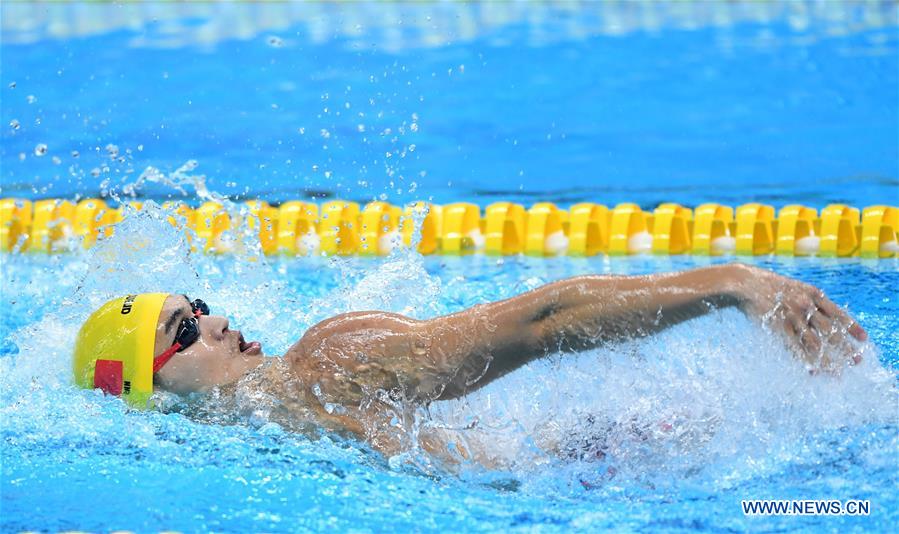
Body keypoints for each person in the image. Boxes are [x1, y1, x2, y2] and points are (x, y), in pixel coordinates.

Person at [73, 262, 867, 465]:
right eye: (186, 329)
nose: (217, 321)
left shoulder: (324, 362)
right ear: (147, 390)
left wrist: (729, 286)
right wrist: (727, 283)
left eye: (200, 305)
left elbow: (536, 324)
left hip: (604, 467)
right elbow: (538, 323)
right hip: (605, 466)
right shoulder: (289, 404)